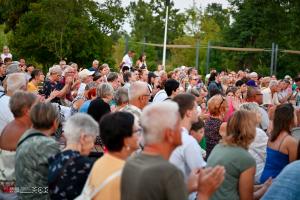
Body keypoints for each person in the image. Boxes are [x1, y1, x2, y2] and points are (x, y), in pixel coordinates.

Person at [121, 101, 225, 200]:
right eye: (178, 126)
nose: (183, 129)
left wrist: (188, 188)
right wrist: (204, 193)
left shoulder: (130, 163)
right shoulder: (169, 172)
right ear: (169, 133)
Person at [207, 110, 271, 200]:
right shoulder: (245, 158)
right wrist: (265, 189)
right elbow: (247, 198)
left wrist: (263, 186)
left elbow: (232, 187)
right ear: (250, 129)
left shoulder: (219, 147)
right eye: (254, 126)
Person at [86, 112, 140, 200]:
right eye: (137, 131)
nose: (139, 135)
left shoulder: (99, 162)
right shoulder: (128, 173)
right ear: (125, 140)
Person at [15, 102, 60, 199]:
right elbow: (60, 176)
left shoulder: (26, 135)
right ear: (54, 122)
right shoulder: (49, 145)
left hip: (21, 193)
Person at [48, 113, 98, 200]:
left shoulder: (53, 159)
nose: (92, 145)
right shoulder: (86, 166)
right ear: (83, 138)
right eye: (93, 139)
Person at [170, 94, 206, 192]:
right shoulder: (188, 141)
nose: (197, 111)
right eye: (195, 108)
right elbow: (201, 174)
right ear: (188, 113)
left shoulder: (170, 134)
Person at [260, 103, 298, 183]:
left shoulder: (272, 136)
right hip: (276, 181)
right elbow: (294, 169)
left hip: (265, 178)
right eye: (295, 114)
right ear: (290, 118)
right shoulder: (290, 141)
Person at [239, 102, 268, 183]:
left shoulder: (240, 130)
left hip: (246, 174)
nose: (261, 114)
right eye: (258, 112)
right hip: (258, 174)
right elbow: (267, 157)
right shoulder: (256, 132)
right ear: (252, 115)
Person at [204, 94, 227, 159]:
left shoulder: (207, 121)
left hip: (209, 156)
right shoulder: (222, 125)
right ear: (221, 109)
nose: (227, 110)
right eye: (226, 107)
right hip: (219, 158)